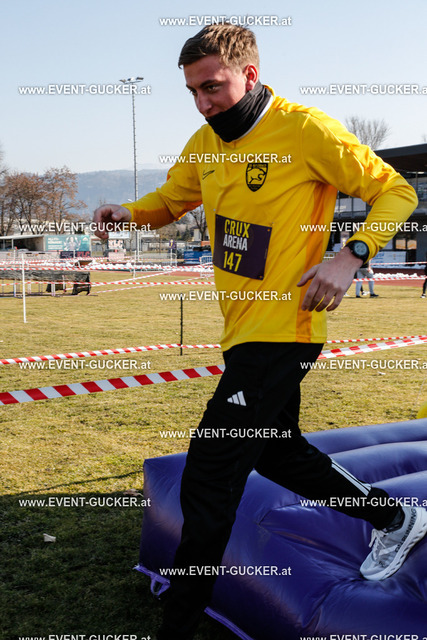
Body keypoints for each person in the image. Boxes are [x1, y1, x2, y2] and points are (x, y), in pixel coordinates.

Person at [93, 24, 426, 640]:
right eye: (193, 91)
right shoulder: (205, 141)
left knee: (209, 473)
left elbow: (396, 190)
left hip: (285, 329)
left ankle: (177, 628)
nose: (203, 103)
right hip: (241, 331)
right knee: (276, 449)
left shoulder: (304, 130)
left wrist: (350, 254)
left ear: (249, 74)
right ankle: (396, 519)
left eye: (212, 87)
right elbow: (171, 200)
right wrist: (128, 214)